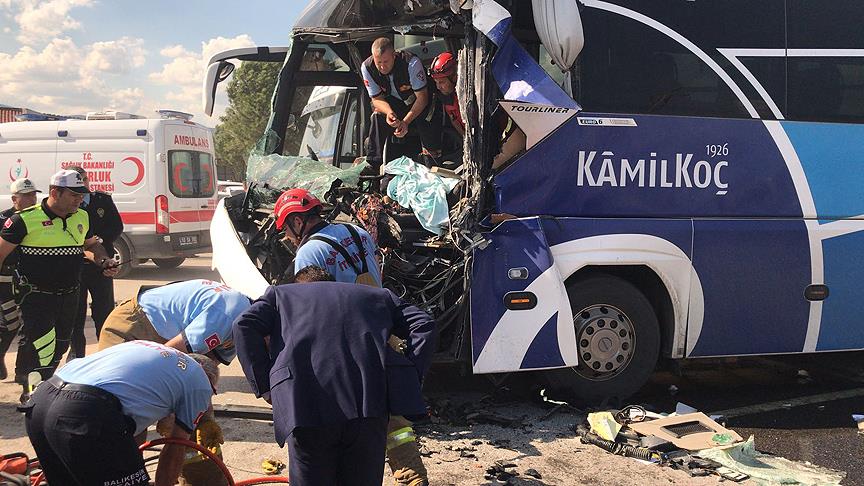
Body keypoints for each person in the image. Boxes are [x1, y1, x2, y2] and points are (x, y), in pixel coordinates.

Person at [233, 266, 436, 486]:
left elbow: (243, 325)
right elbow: (423, 324)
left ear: (299, 285)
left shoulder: (281, 295)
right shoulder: (377, 296)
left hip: (306, 408)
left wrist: (266, 386)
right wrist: (407, 378)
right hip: (369, 407)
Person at [97, 278, 251, 486]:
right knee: (131, 420)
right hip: (136, 327)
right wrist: (169, 412)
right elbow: (165, 359)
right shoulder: (228, 314)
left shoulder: (242, 328)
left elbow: (204, 368)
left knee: (194, 426)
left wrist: (203, 417)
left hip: (170, 345)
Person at [20, 340, 218, 486]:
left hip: (40, 402)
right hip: (84, 411)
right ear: (207, 377)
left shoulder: (149, 349)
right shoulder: (199, 380)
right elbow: (175, 448)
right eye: (212, 391)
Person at [0, 169, 117, 403]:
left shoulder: (82, 216)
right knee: (40, 345)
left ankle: (43, 388)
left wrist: (104, 261)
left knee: (62, 345)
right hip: (36, 296)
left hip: (70, 293)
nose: (79, 199)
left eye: (81, 194)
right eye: (74, 195)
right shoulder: (23, 219)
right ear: (55, 192)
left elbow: (90, 245)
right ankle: (32, 394)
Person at [66, 165, 123, 361]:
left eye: (84, 179)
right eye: (77, 181)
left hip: (102, 263)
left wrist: (98, 240)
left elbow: (117, 226)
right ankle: (76, 354)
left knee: (104, 311)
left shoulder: (102, 199)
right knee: (76, 312)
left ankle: (105, 353)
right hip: (76, 266)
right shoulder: (68, 206)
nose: (83, 184)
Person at [361, 37, 443, 168]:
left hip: (420, 103)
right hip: (395, 104)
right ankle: (373, 163)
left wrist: (405, 122)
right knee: (377, 115)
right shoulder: (367, 67)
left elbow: (422, 98)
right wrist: (389, 113)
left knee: (427, 117)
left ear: (394, 55)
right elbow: (376, 99)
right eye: (379, 62)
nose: (382, 66)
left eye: (386, 61)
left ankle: (432, 160)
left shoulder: (411, 63)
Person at [274, 188, 381, 287]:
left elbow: (310, 302)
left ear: (298, 222)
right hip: (382, 305)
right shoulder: (357, 231)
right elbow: (378, 270)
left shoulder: (307, 254)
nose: (286, 236)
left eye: (285, 229)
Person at [0, 178, 40, 380]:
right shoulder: (3, 219)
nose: (32, 198)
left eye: (34, 194)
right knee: (10, 324)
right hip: (5, 280)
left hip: (30, 279)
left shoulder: (40, 217)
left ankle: (22, 370)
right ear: (15, 198)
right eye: (27, 195)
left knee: (28, 324)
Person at [429, 52, 464, 138]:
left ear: (454, 77)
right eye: (436, 82)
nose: (438, 87)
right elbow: (454, 120)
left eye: (442, 82)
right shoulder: (447, 97)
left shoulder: (473, 93)